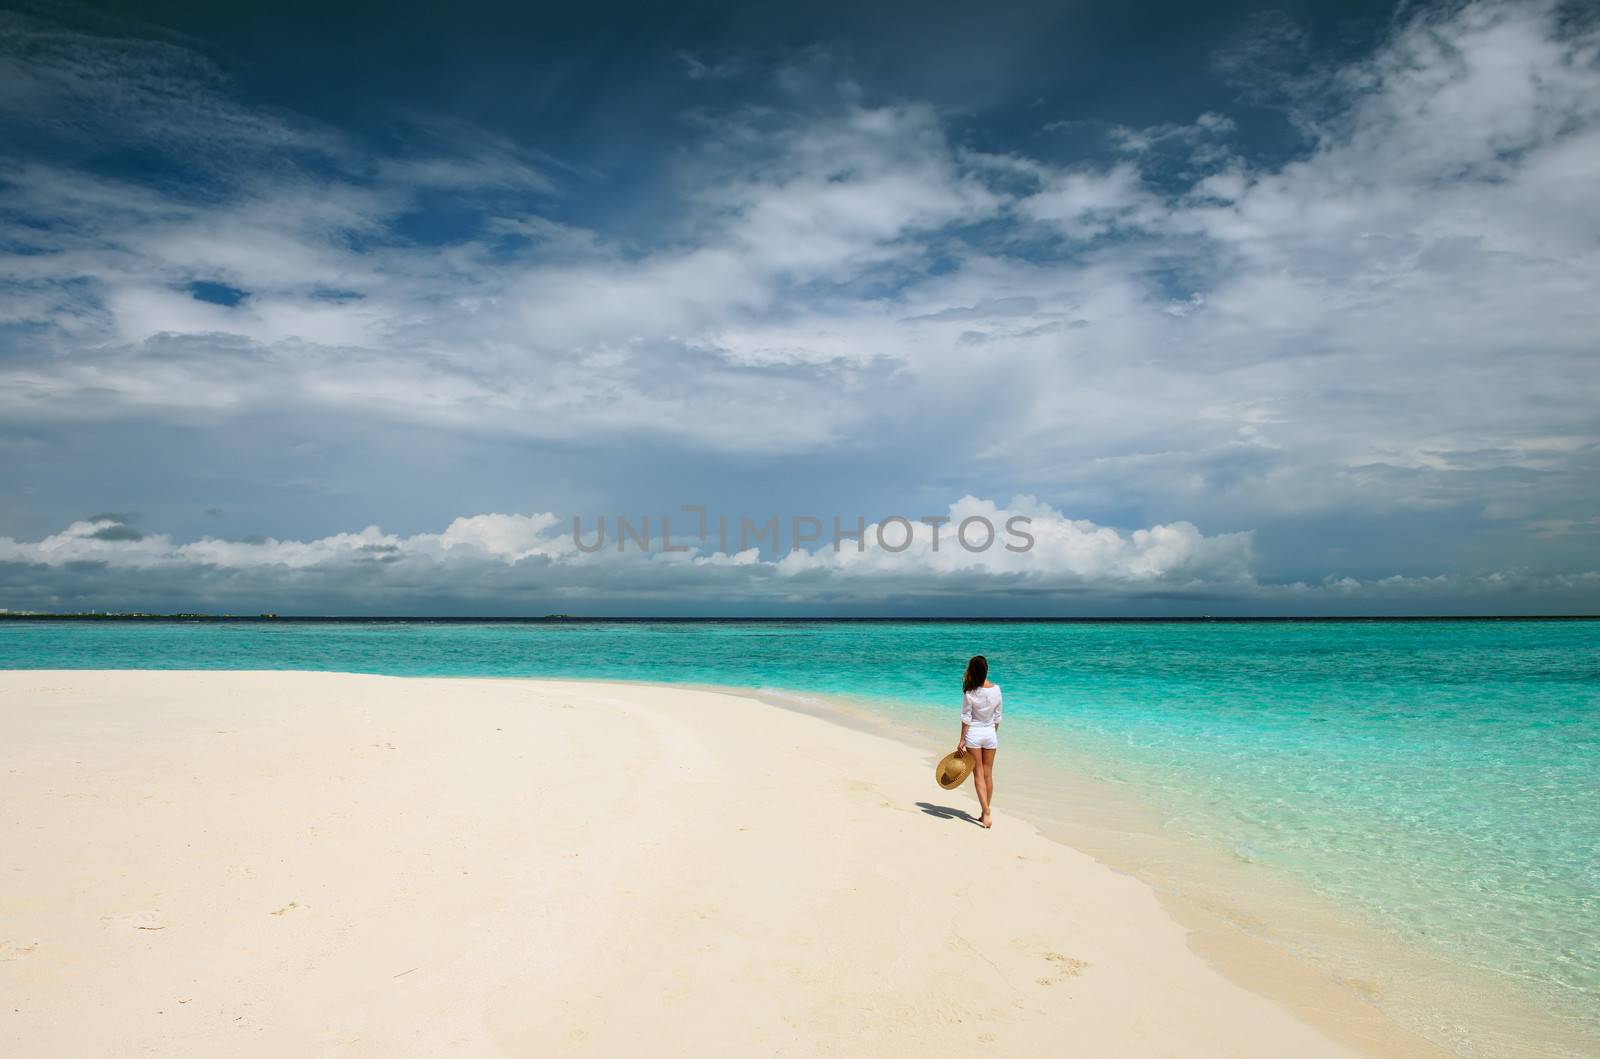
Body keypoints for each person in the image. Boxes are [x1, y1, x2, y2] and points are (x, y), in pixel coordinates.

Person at [955, 654, 1001, 828]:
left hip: (974, 734)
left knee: (978, 774)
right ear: (986, 670)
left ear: (972, 671)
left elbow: (966, 719)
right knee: (988, 774)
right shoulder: (996, 689)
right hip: (990, 734)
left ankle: (986, 811)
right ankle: (984, 811)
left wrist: (961, 741)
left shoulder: (970, 691)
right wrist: (993, 734)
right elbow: (997, 717)